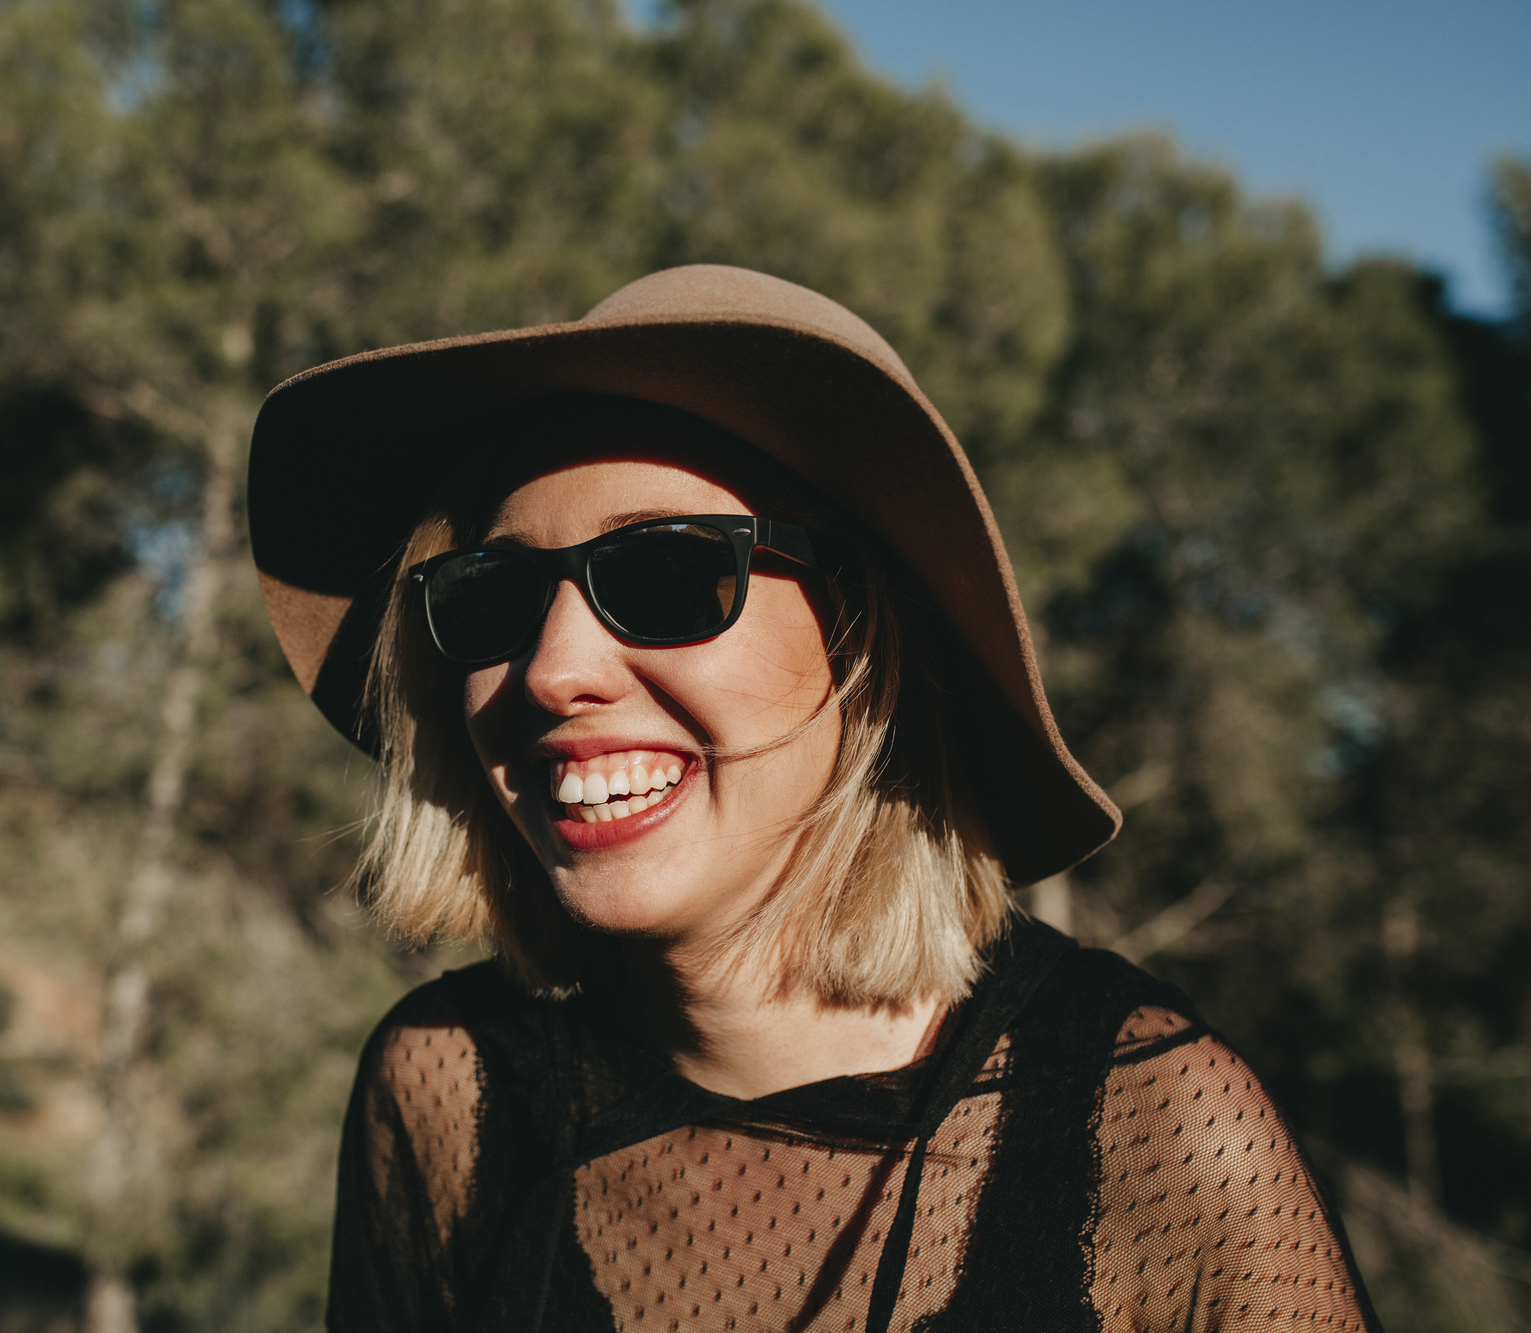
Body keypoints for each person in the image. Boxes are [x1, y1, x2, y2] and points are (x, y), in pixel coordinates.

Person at [247, 266, 1381, 1332]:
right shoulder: (449, 1091)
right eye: (493, 597)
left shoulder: (1146, 1136)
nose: (550, 671)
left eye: (666, 573)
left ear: (863, 648)